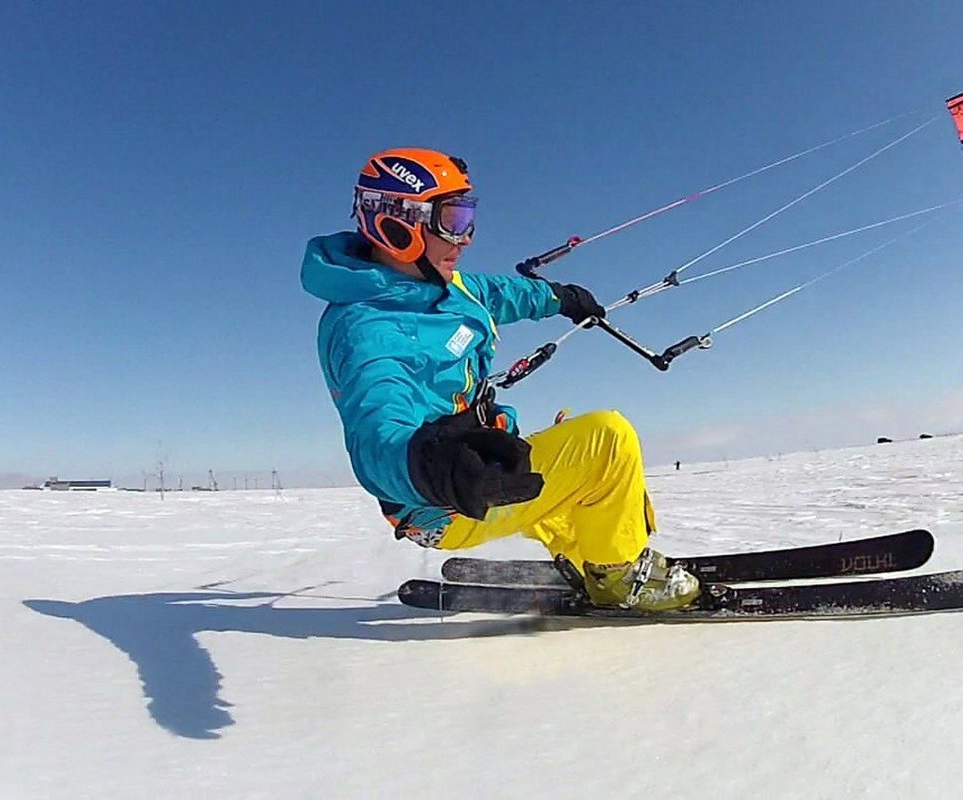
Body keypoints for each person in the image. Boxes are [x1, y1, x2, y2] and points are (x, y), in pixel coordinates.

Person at [300, 147, 700, 612]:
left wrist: (558, 297)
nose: (465, 238)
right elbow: (376, 431)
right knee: (607, 441)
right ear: (398, 222)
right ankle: (618, 576)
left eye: (469, 218)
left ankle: (583, 553)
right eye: (452, 219)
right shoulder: (369, 329)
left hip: (484, 465)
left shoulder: (441, 285)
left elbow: (497, 293)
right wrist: (438, 466)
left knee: (565, 442)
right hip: (448, 500)